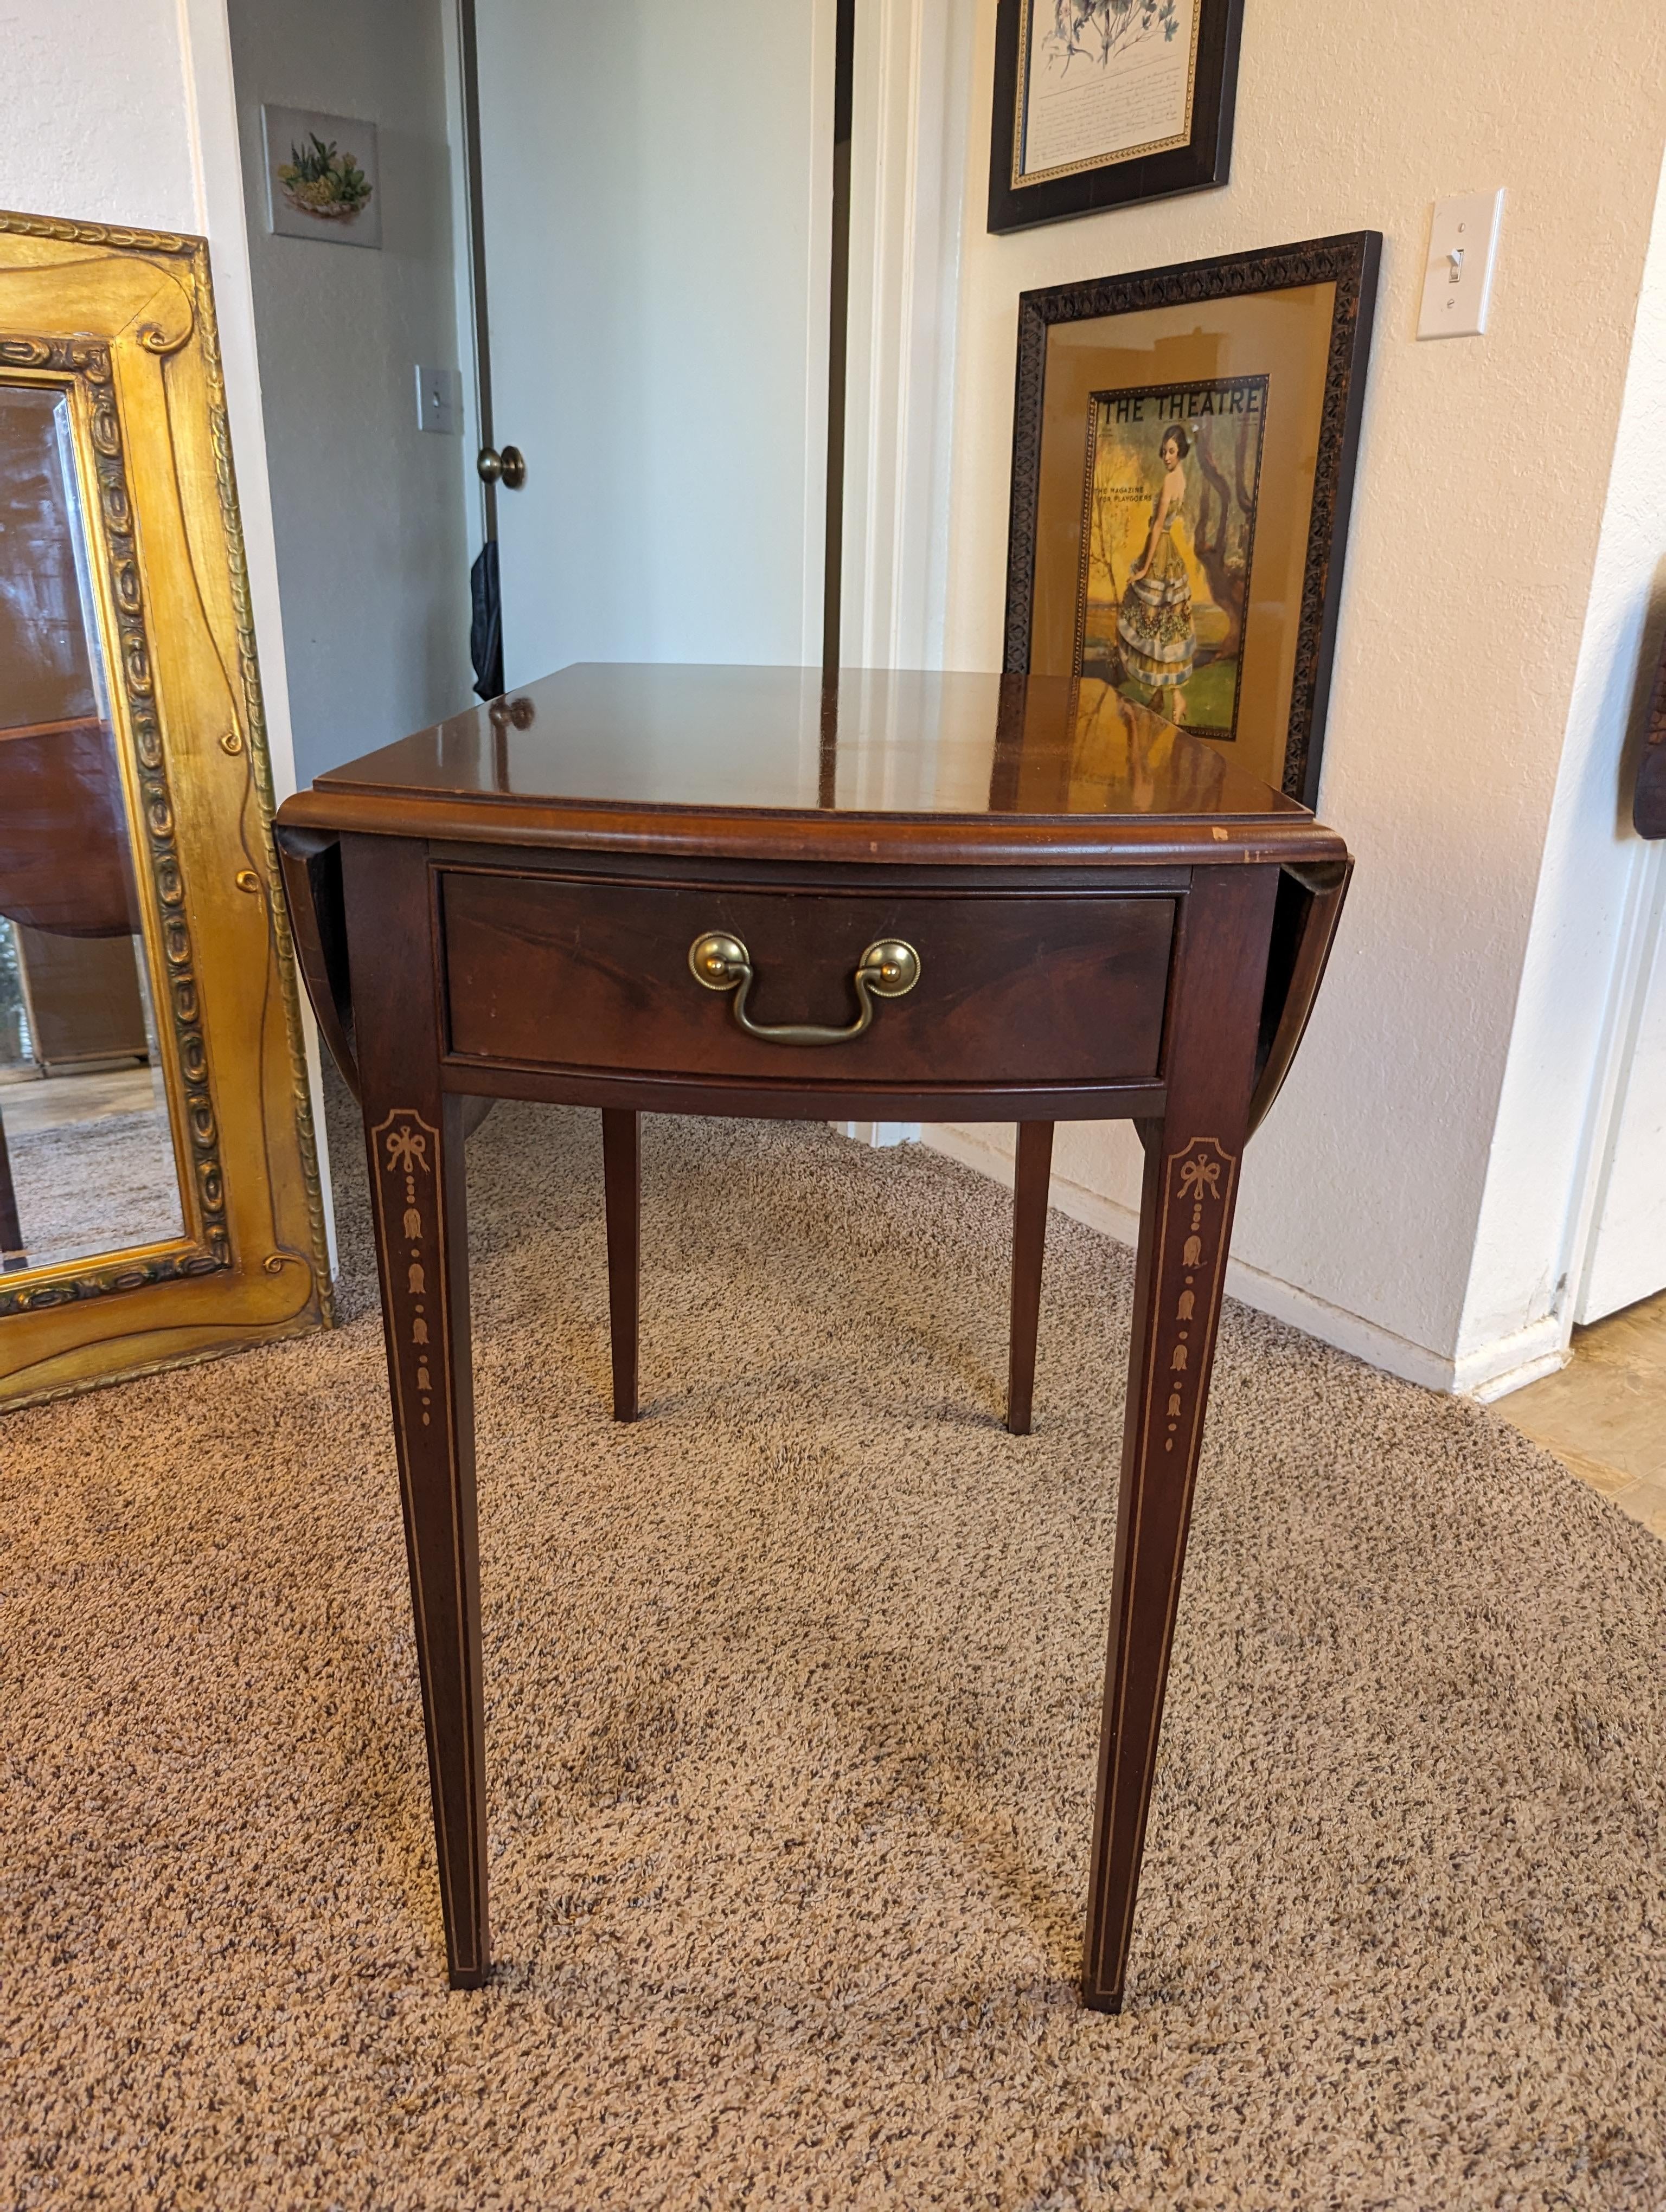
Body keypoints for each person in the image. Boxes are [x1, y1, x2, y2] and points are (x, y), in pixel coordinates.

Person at [1116, 423, 1196, 724]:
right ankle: (1161, 696)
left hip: (1160, 551)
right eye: (1164, 451)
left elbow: (1157, 526)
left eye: (1172, 451)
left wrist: (1144, 569)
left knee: (1157, 624)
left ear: (1181, 452)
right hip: (1169, 552)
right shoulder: (1182, 478)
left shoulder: (1169, 482)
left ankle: (1176, 697)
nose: (1166, 457)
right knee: (1167, 627)